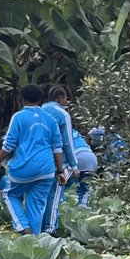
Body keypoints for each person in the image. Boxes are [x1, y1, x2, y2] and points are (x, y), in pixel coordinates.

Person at [0, 84, 67, 236]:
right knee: (36, 205)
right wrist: (60, 171)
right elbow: (57, 148)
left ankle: (23, 226)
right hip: (46, 169)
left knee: (10, 194)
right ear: (41, 99)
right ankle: (34, 239)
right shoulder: (50, 119)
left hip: (23, 168)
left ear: (22, 99)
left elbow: (9, 145)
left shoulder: (18, 117)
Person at [39, 86, 79, 233]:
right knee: (54, 196)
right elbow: (67, 141)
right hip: (58, 162)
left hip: (38, 160)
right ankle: (50, 229)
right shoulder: (63, 114)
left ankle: (37, 228)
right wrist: (74, 166)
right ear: (60, 97)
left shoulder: (39, 110)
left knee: (39, 196)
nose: (67, 101)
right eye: (66, 98)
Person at [66, 129, 97, 208]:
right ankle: (83, 207)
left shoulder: (61, 132)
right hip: (91, 158)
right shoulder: (77, 133)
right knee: (85, 188)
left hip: (76, 157)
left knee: (63, 185)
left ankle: (62, 206)